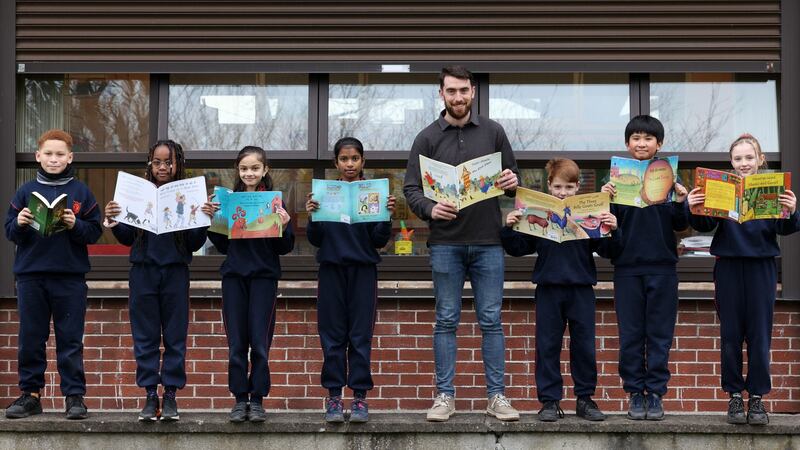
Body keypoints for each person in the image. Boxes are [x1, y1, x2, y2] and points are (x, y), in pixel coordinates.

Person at [403, 65, 521, 422]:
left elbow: (513, 183)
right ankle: (444, 397)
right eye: (451, 91)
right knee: (446, 320)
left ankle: (497, 397)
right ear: (441, 93)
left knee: (491, 320)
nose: (458, 97)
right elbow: (411, 189)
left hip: (488, 242)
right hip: (445, 244)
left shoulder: (494, 132)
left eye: (463, 91)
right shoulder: (426, 138)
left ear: (473, 93)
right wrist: (429, 207)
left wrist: (512, 180)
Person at [687, 134, 798, 425]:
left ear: (760, 160)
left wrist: (792, 210)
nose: (744, 163)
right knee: (731, 337)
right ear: (731, 162)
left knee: (760, 337)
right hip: (729, 269)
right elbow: (704, 223)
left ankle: (757, 399)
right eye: (738, 158)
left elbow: (785, 228)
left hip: (761, 268)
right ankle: (735, 396)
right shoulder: (722, 188)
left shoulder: (771, 188)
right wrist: (694, 206)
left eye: (750, 157)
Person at [501, 158, 618, 422]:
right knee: (547, 346)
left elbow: (610, 251)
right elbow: (519, 248)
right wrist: (508, 227)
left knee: (585, 346)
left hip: (581, 289)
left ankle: (585, 400)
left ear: (577, 187)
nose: (562, 193)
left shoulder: (589, 213)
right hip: (548, 289)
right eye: (557, 187)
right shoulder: (540, 211)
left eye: (568, 187)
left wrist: (612, 228)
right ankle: (550, 402)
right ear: (549, 187)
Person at [104, 140, 210, 422]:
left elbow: (194, 243)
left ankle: (171, 395)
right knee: (145, 337)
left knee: (175, 337)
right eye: (157, 162)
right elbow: (128, 238)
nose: (163, 167)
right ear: (150, 164)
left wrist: (204, 219)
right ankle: (151, 395)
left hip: (175, 272)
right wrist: (114, 220)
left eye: (169, 162)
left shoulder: (188, 193)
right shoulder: (137, 192)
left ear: (178, 164)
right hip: (143, 272)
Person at [4, 129, 102, 420]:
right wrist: (20, 222)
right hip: (31, 276)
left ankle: (74, 397)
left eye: (60, 154)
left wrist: (76, 225)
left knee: (70, 340)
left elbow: (95, 232)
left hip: (70, 278)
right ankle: (30, 396)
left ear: (70, 157)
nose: (54, 159)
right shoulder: (24, 192)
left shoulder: (81, 192)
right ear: (38, 156)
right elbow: (10, 232)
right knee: (31, 339)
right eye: (48, 153)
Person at [601, 115, 688, 420]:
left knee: (660, 335)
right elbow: (606, 234)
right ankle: (635, 394)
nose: (641, 143)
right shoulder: (615, 182)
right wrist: (605, 201)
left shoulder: (669, 178)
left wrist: (680, 200)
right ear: (627, 144)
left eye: (648, 139)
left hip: (663, 268)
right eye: (636, 138)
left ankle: (656, 395)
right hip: (627, 269)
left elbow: (681, 224)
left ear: (659, 144)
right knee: (631, 336)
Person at [305, 137, 396, 423]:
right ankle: (333, 397)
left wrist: (386, 216)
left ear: (362, 162)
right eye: (344, 159)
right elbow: (315, 240)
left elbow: (379, 241)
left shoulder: (372, 193)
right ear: (336, 163)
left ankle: (359, 398)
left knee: (360, 336)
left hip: (363, 271)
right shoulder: (325, 194)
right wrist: (312, 215)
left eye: (354, 159)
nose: (349, 164)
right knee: (331, 336)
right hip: (331, 270)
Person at [205, 146, 294, 423]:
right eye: (244, 168)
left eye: (255, 168)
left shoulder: (275, 204)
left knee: (259, 343)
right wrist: (213, 220)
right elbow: (221, 245)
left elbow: (285, 247)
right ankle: (239, 399)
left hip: (264, 279)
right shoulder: (229, 202)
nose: (249, 173)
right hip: (234, 278)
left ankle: (257, 400)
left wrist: (285, 224)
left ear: (265, 170)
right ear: (238, 171)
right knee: (236, 344)